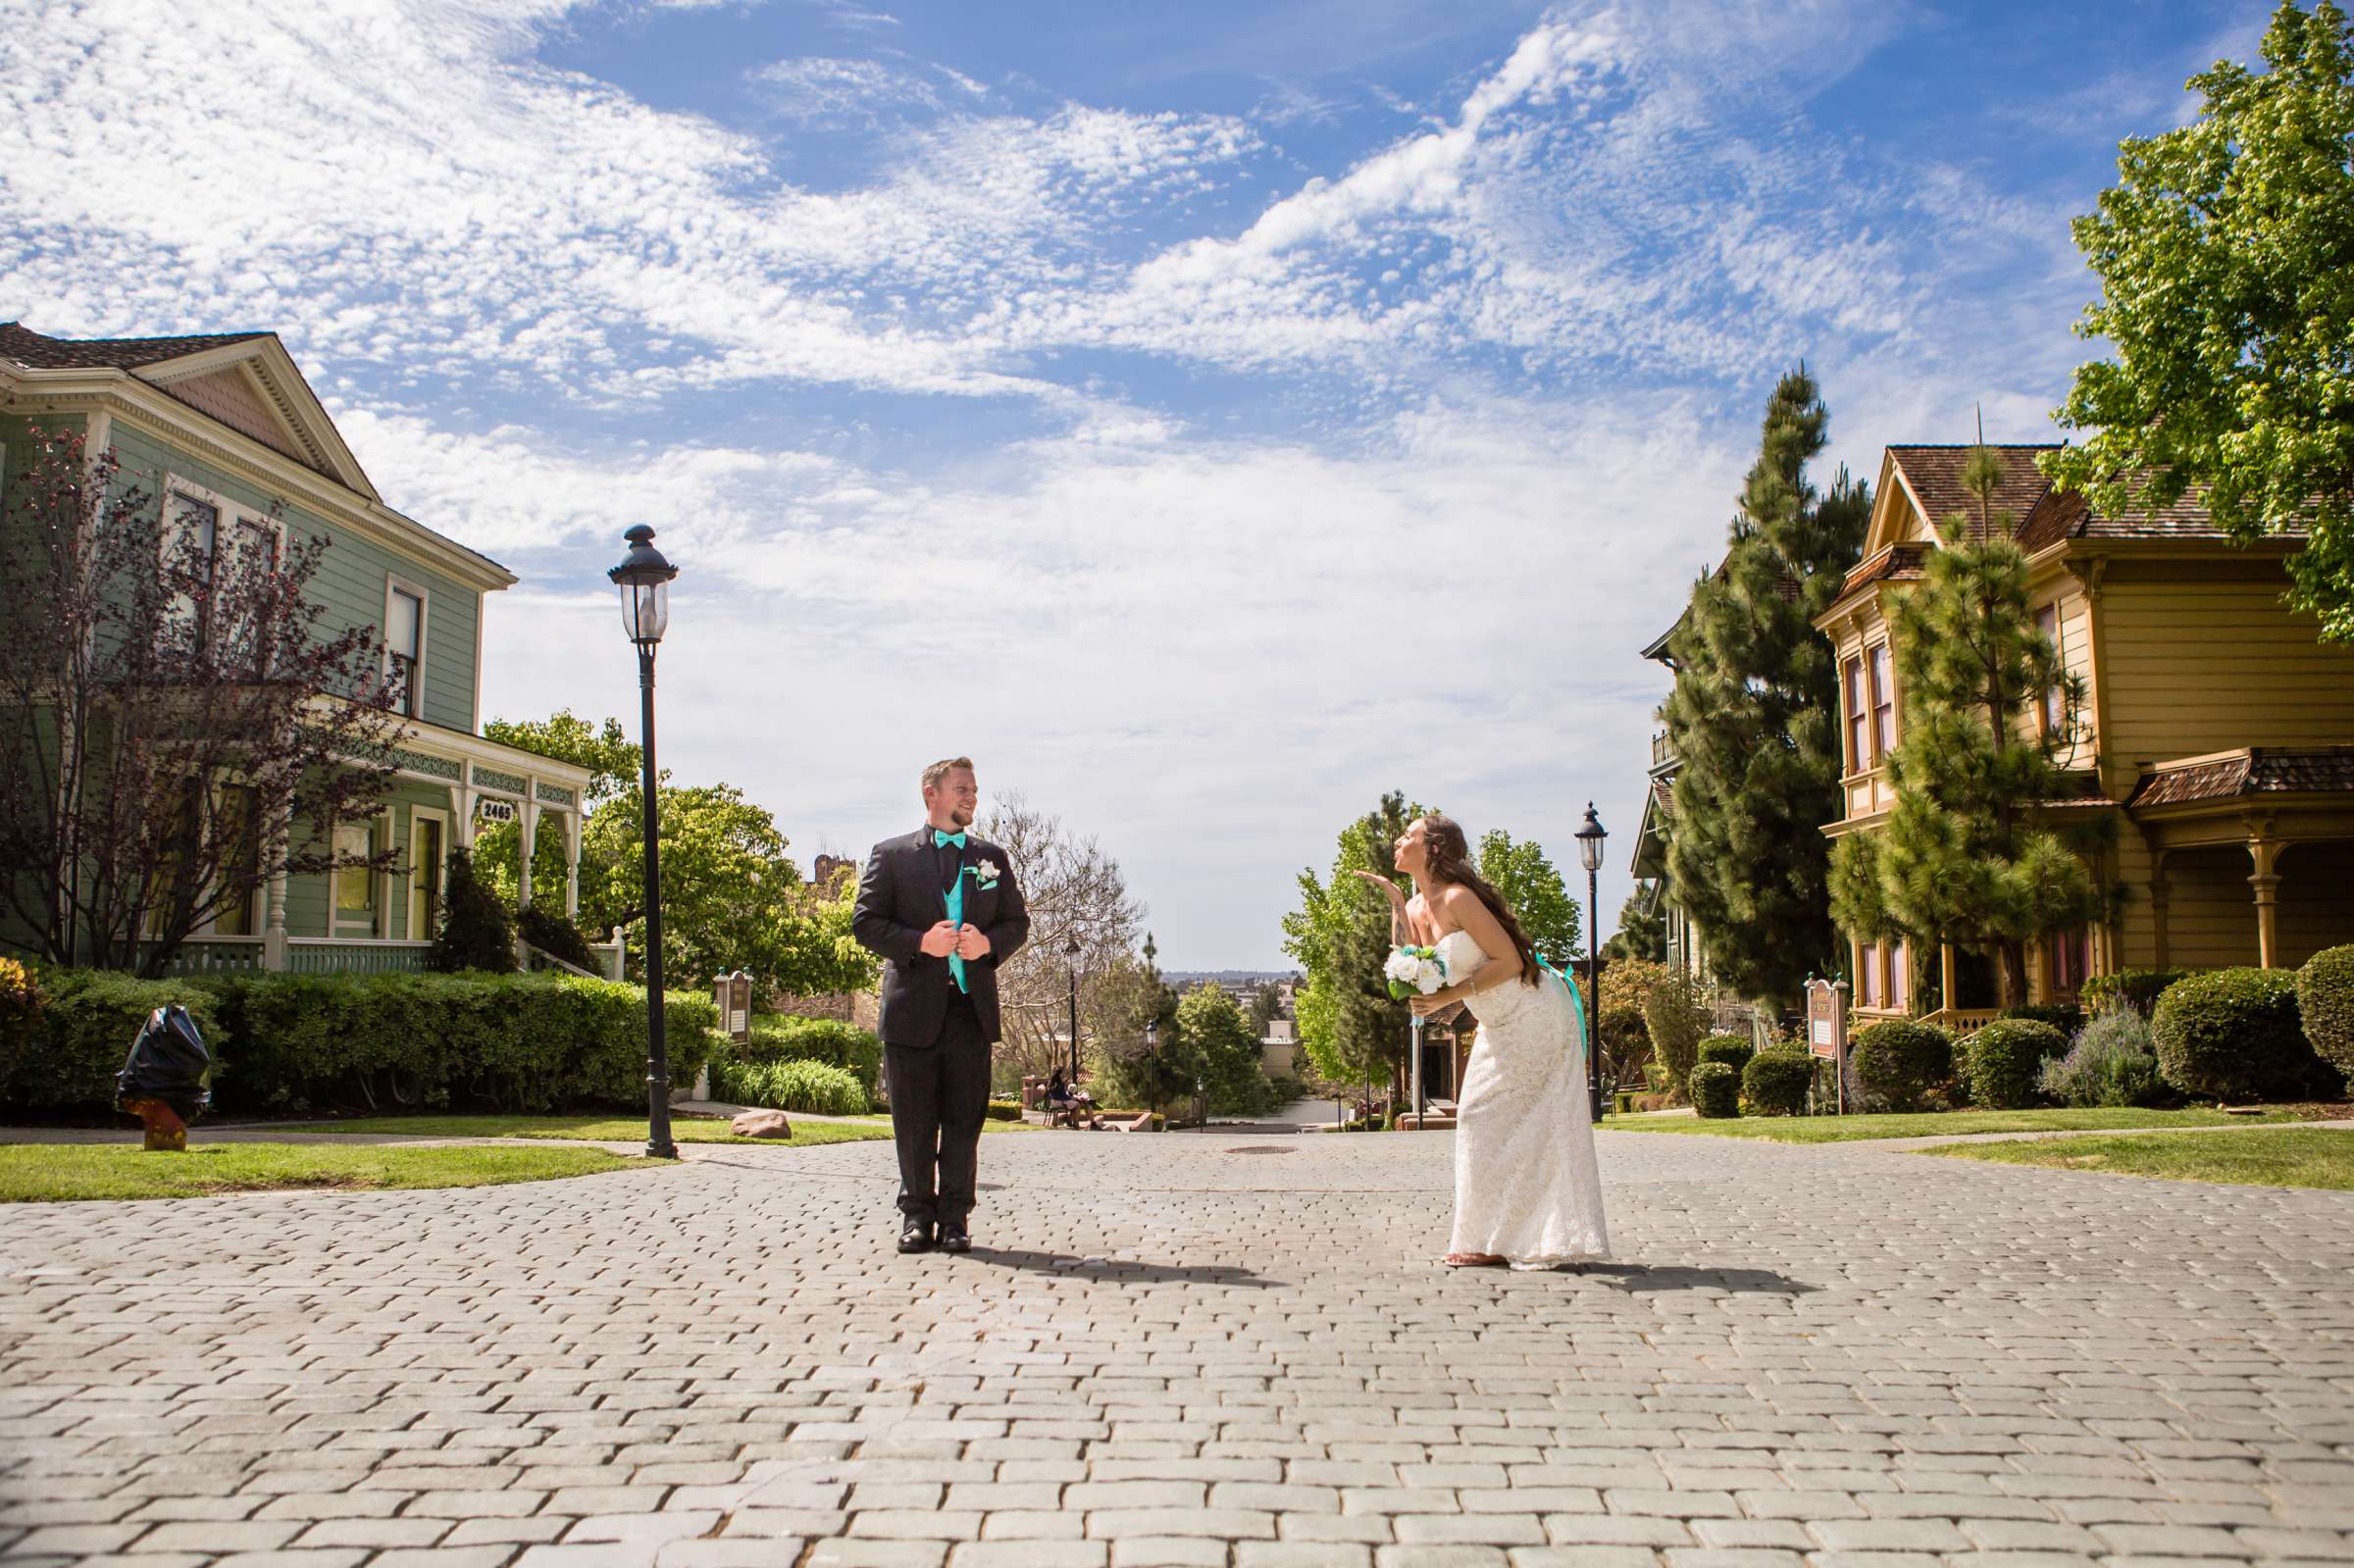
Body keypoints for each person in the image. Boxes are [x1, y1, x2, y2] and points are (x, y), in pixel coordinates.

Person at [1354, 814, 1608, 1270]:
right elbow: (1407, 964)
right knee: (1479, 1119)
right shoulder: (1416, 907)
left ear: (1432, 848)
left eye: (1408, 836)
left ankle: (1522, 1238)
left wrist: (1450, 996)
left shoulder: (1458, 898)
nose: (1397, 841)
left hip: (1535, 1016)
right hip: (1497, 1024)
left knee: (1533, 1127)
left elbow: (1509, 961)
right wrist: (1395, 901)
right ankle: (1491, 1238)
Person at [852, 757, 1030, 1254]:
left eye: (974, 789)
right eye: (961, 789)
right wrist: (918, 942)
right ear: (931, 794)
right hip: (911, 1013)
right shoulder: (891, 856)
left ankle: (955, 1221)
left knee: (962, 1122)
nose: (971, 797)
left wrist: (988, 946)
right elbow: (866, 923)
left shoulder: (992, 857)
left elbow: (1017, 922)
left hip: (970, 1012)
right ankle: (916, 1219)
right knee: (912, 1123)